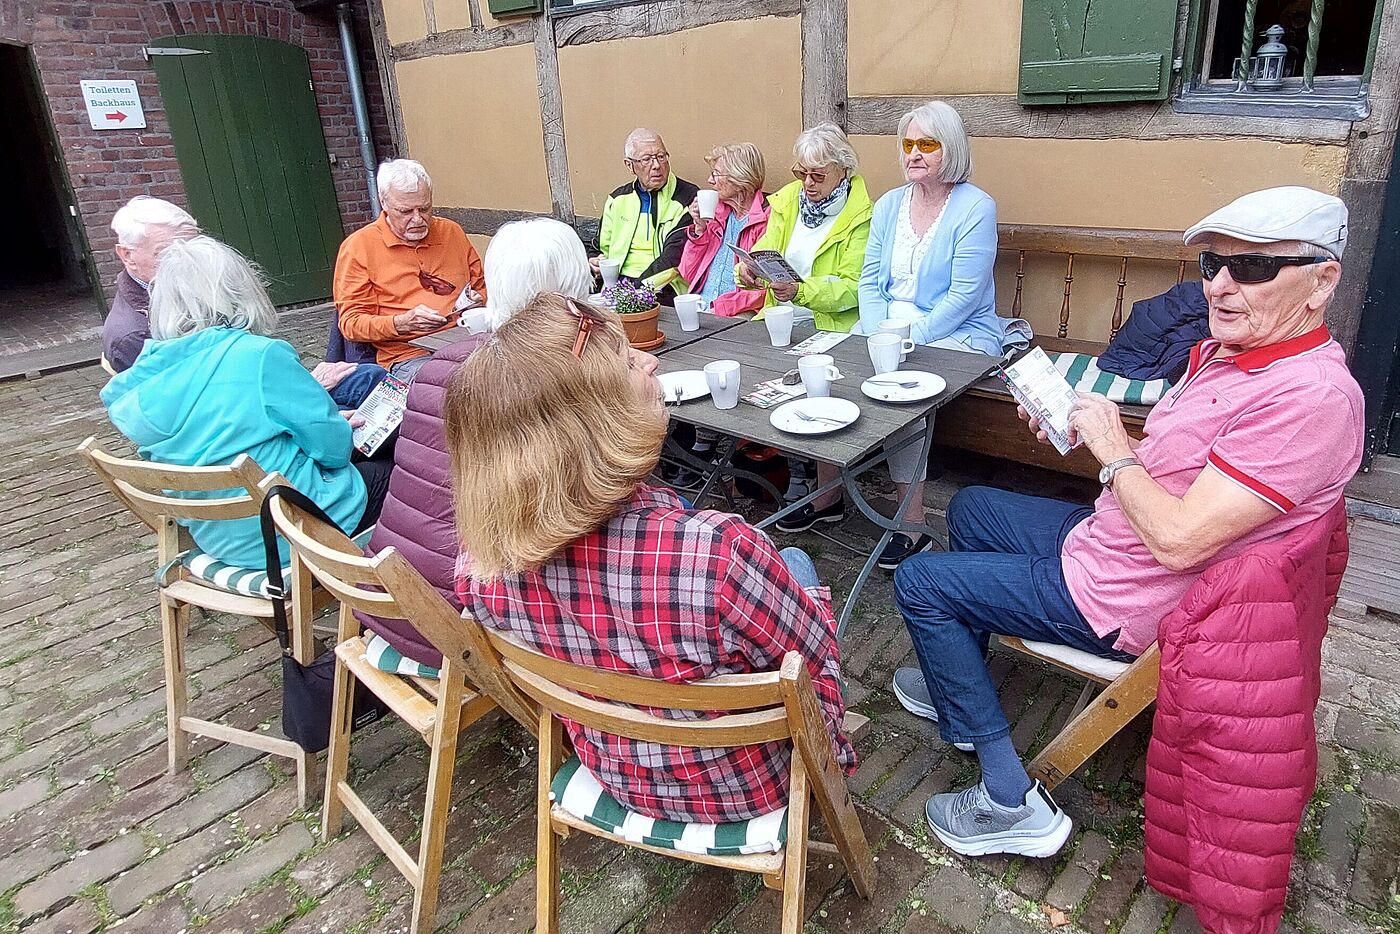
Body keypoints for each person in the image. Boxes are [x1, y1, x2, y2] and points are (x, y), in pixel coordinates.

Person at [890, 186, 1363, 860]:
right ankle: (961, 680)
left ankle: (1009, 799)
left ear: (1321, 282)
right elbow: (1179, 470)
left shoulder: (1309, 400)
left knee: (920, 582)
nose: (1221, 287)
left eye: (1253, 269)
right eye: (1212, 267)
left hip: (1131, 594)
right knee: (972, 506)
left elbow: (1179, 541)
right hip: (1116, 542)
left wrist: (1113, 448)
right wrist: (1082, 422)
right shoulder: (1237, 355)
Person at [446, 292, 854, 823]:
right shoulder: (717, 555)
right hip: (746, 784)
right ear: (592, 420)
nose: (650, 359)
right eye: (624, 358)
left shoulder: (479, 573)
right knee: (794, 561)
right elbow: (816, 676)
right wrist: (835, 768)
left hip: (616, 771)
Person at [357, 219, 593, 669]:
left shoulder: (439, 363)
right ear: (570, 291)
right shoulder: (541, 383)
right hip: (460, 623)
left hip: (389, 598)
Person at [101, 236, 390, 570]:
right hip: (292, 531)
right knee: (408, 467)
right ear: (240, 290)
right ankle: (409, 582)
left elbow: (229, 430)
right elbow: (335, 451)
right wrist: (335, 425)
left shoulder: (141, 380)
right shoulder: (258, 356)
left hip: (223, 541)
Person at [856, 100, 1001, 568]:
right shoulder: (888, 205)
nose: (913, 153)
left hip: (958, 332)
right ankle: (825, 495)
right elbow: (869, 279)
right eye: (908, 144)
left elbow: (963, 297)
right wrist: (878, 332)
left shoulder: (976, 208)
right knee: (839, 358)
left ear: (950, 149)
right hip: (888, 324)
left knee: (904, 387)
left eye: (927, 144)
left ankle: (910, 524)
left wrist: (903, 339)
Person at [751, 124, 873, 533]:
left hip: (831, 325)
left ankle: (822, 491)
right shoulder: (788, 199)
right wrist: (749, 270)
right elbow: (764, 250)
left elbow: (854, 287)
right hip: (780, 316)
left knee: (814, 383)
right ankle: (785, 470)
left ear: (844, 170)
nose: (807, 183)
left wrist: (801, 292)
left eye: (817, 175)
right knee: (743, 364)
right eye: (801, 172)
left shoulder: (862, 215)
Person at [334, 159, 485, 383]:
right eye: (405, 211)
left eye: (425, 209)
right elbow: (351, 324)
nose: (418, 219)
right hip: (410, 355)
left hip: (467, 341)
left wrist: (478, 300)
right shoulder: (359, 247)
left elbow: (483, 289)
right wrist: (400, 323)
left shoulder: (451, 232)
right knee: (466, 384)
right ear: (383, 203)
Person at [592, 129, 698, 289]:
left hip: (664, 287)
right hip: (616, 284)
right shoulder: (617, 199)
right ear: (629, 165)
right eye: (646, 159)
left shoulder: (687, 198)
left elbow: (672, 261)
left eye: (661, 157)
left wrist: (632, 291)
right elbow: (600, 247)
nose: (656, 166)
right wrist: (593, 261)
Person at [103, 196, 199, 372]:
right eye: (166, 253)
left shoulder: (196, 287)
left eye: (192, 250)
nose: (188, 262)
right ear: (127, 256)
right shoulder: (133, 337)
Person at [676, 142, 771, 316]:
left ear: (740, 178)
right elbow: (687, 273)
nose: (709, 180)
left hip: (737, 314)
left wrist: (720, 308)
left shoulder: (767, 218)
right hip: (702, 307)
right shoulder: (717, 214)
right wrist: (700, 228)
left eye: (716, 174)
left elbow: (763, 290)